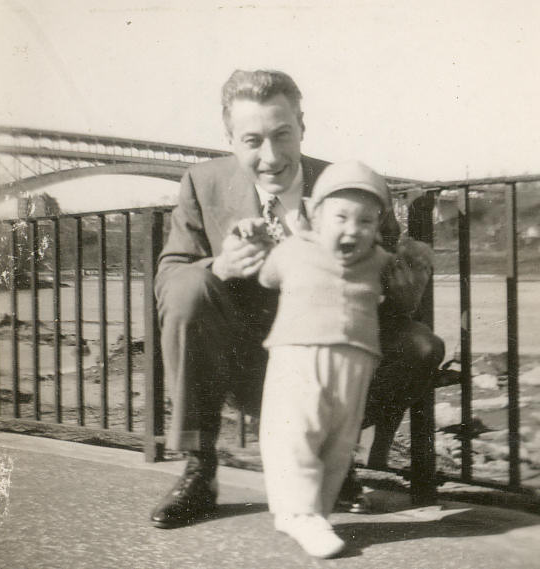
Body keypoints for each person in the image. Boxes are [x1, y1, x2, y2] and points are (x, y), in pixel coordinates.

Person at [150, 69, 444, 529]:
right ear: (230, 139)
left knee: (421, 346)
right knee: (190, 286)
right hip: (245, 361)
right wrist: (219, 268)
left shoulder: (350, 184)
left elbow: (380, 294)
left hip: (328, 358)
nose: (271, 157)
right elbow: (169, 278)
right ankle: (199, 468)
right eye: (252, 140)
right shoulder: (201, 183)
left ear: (302, 126)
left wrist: (405, 299)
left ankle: (335, 458)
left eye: (282, 135)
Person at [257, 160, 412, 558]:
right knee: (297, 432)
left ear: (377, 227)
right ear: (314, 215)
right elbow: (267, 277)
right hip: (298, 352)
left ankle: (315, 512)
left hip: (356, 360)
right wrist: (258, 240)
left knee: (341, 441)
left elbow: (401, 296)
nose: (352, 229)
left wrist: (414, 268)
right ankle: (297, 511)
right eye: (341, 217)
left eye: (366, 221)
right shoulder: (294, 249)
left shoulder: (379, 261)